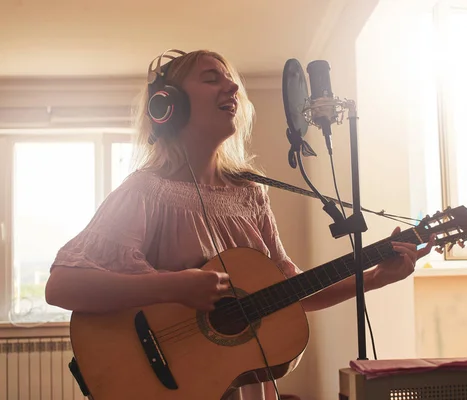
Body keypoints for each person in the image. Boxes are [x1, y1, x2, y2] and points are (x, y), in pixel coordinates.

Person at [45, 49, 434, 400]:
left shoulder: (251, 195)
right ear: (171, 105)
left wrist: (378, 276)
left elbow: (290, 292)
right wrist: (171, 287)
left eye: (230, 79)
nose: (232, 85)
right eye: (212, 78)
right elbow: (62, 285)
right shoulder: (145, 192)